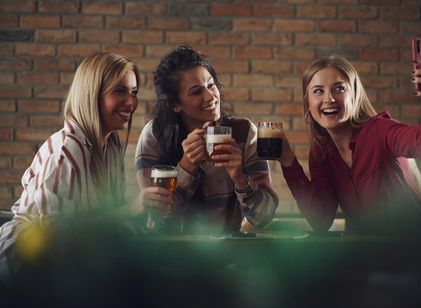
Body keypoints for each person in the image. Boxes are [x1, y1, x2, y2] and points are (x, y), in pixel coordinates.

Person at [0, 52, 173, 282]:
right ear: (92, 94)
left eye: (133, 92)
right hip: (26, 263)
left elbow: (106, 219)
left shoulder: (110, 144)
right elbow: (51, 236)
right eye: (119, 91)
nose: (131, 103)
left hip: (71, 261)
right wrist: (130, 210)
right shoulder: (67, 149)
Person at [278, 55, 421, 231]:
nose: (329, 99)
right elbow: (321, 219)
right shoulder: (321, 152)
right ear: (307, 102)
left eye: (339, 89)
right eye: (318, 91)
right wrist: (287, 160)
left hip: (418, 249)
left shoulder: (379, 130)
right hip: (371, 255)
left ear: (355, 94)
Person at [135, 46, 278, 233]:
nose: (211, 96)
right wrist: (187, 167)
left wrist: (240, 178)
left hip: (227, 256)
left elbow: (264, 218)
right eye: (196, 92)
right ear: (175, 105)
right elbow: (157, 223)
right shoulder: (155, 136)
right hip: (170, 255)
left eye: (211, 85)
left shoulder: (244, 132)